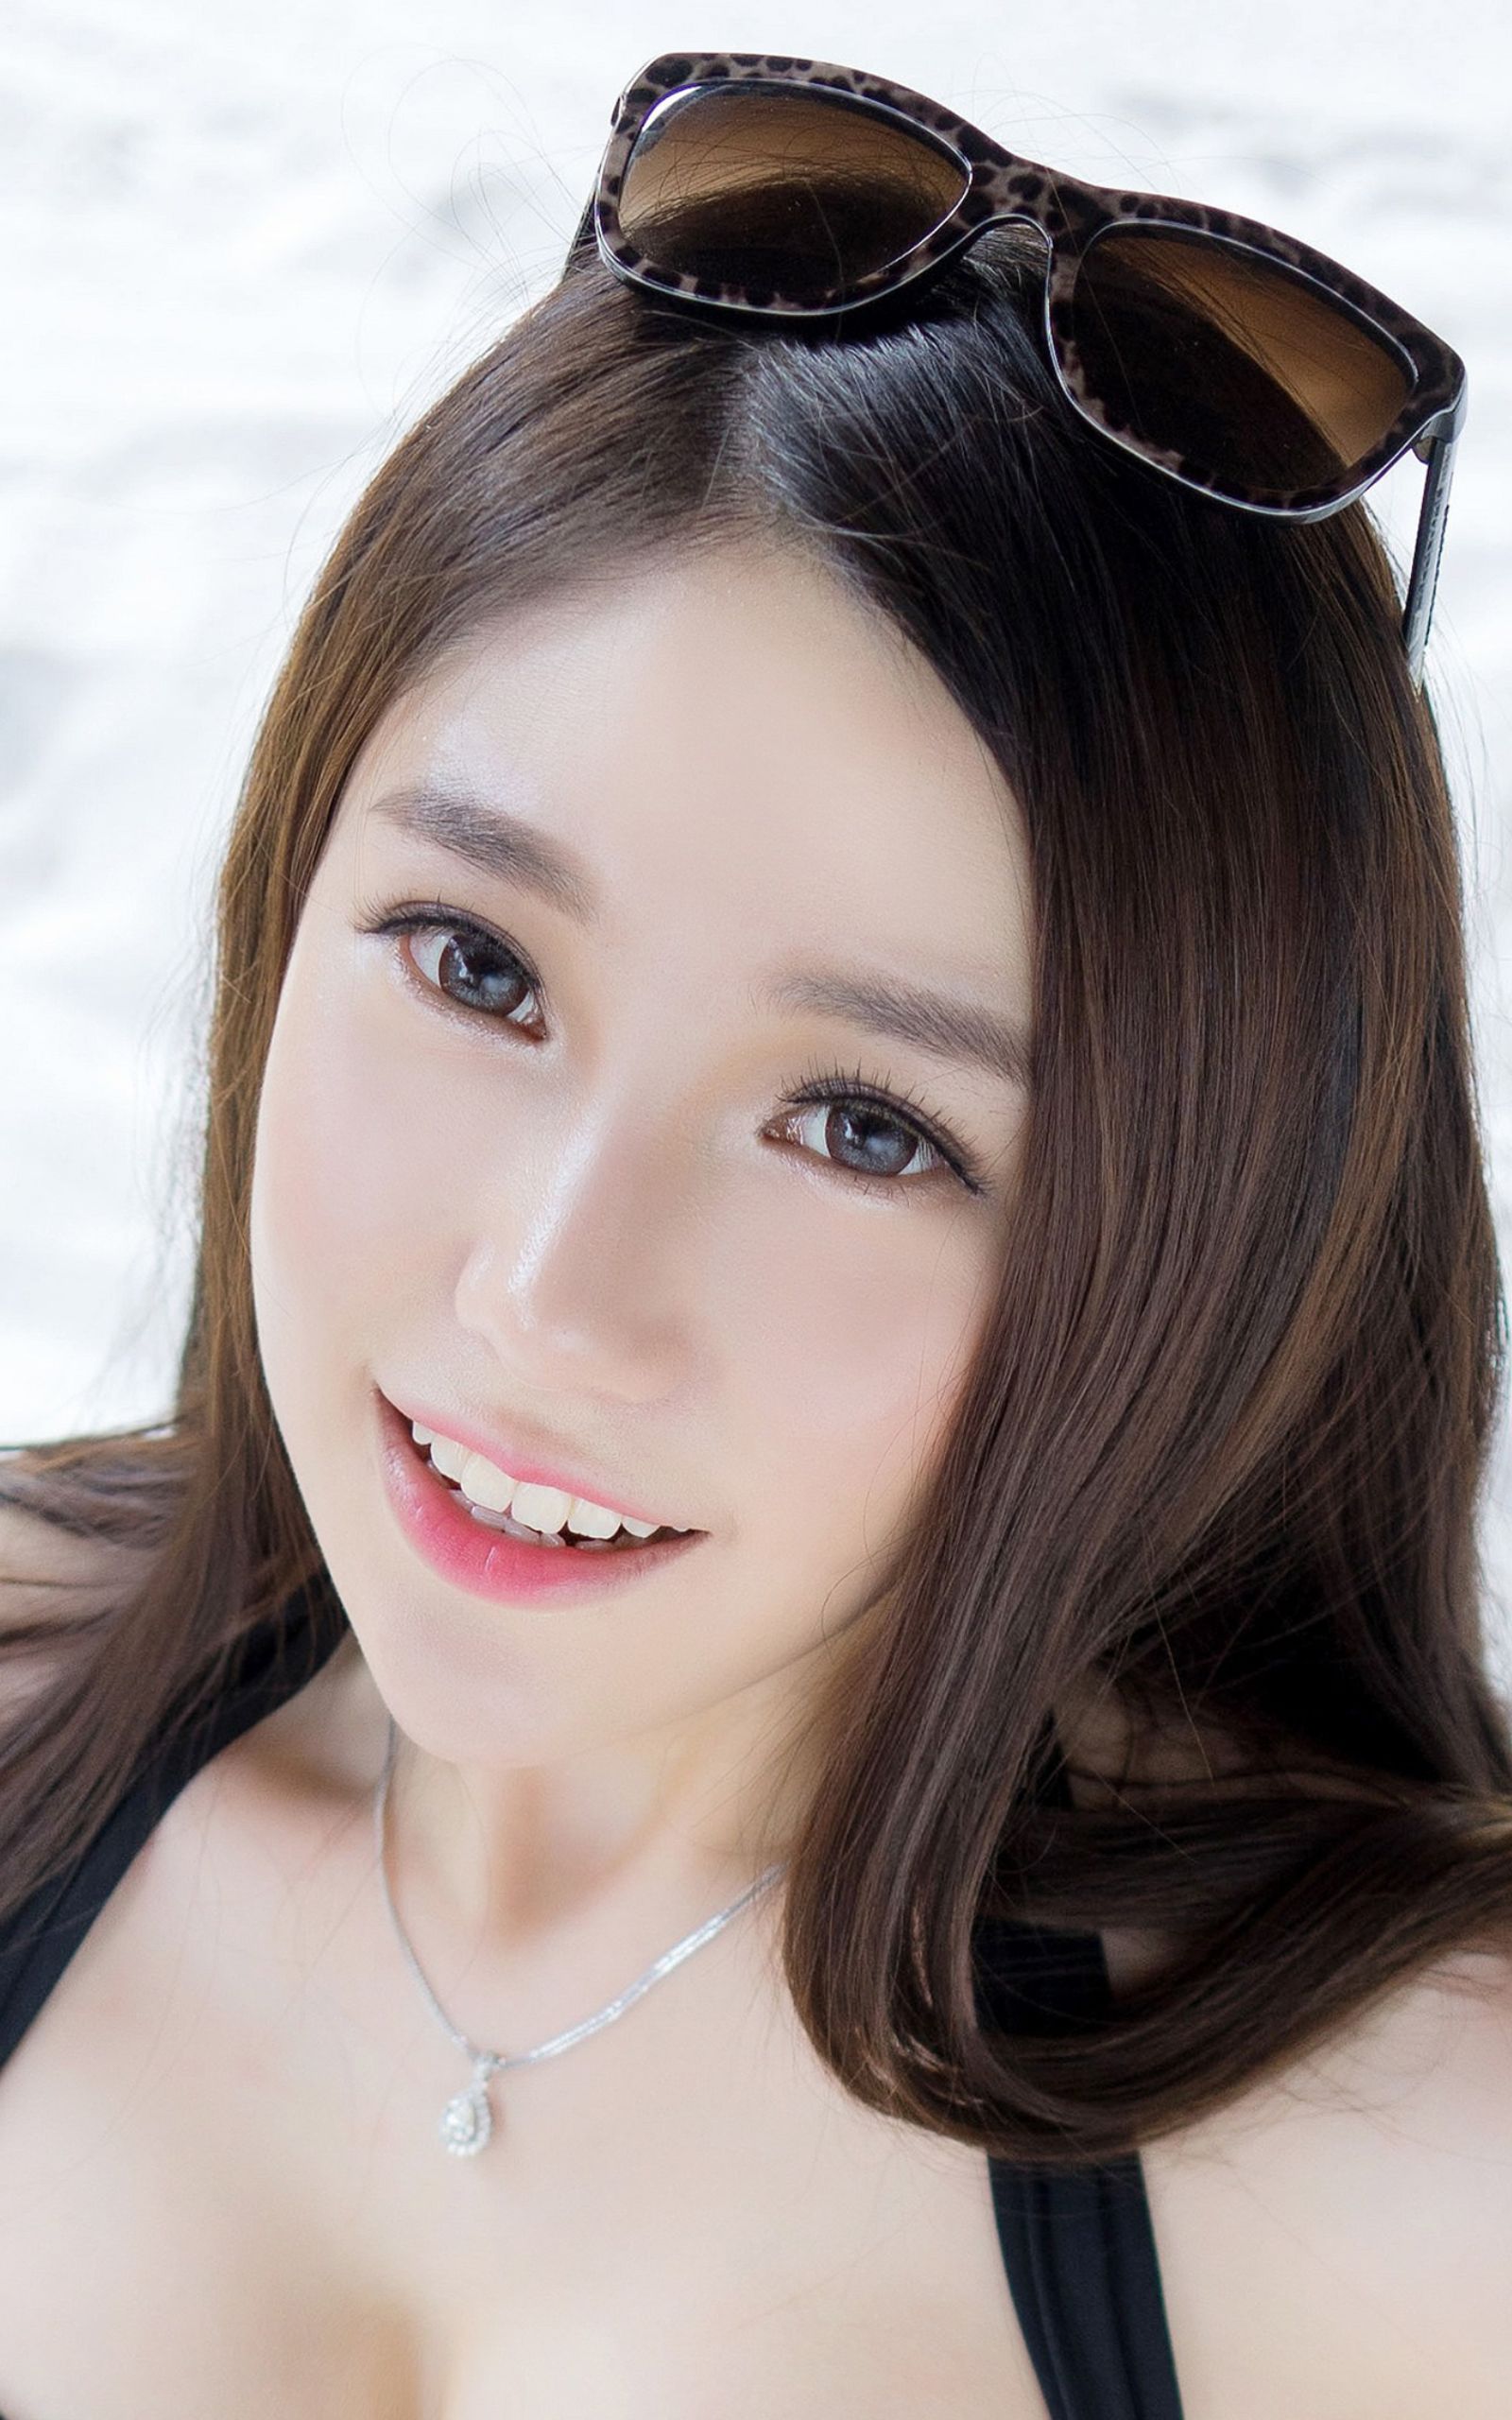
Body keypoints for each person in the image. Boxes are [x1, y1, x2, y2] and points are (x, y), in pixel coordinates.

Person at [0, 47, 1508, 2419]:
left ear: (1185, 1249)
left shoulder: (1397, 2168)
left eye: (862, 1126)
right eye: (476, 965)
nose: (546, 1299)